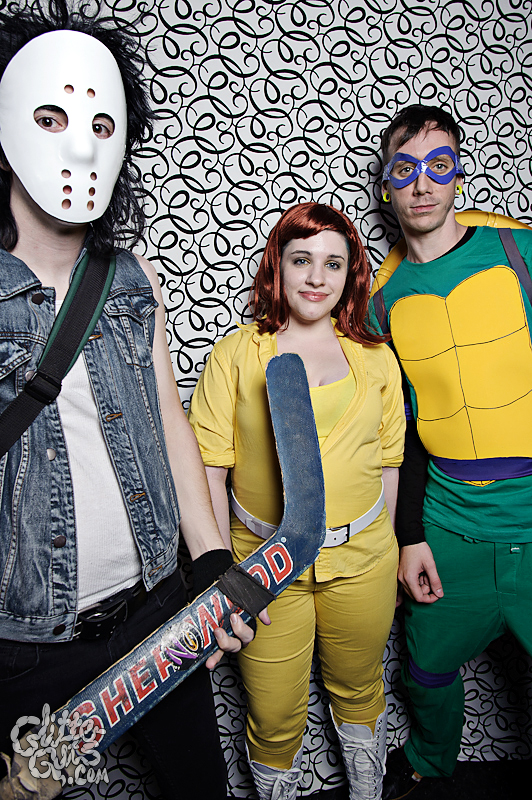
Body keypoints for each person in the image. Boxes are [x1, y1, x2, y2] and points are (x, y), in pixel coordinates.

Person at [0, 4, 264, 799]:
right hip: (26, 640)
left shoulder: (131, 277)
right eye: (50, 117)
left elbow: (168, 421)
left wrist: (211, 565)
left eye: (100, 124)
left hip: (156, 609)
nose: (78, 145)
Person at [188, 201, 406, 800]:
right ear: (277, 267)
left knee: (360, 688)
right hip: (263, 567)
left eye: (333, 264)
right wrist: (222, 576)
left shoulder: (376, 358)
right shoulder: (237, 354)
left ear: (350, 274)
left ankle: (367, 788)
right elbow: (209, 469)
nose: (316, 277)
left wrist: (385, 550)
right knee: (273, 712)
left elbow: (389, 464)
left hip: (363, 562)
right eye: (301, 259)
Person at [368, 104, 532, 799]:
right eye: (405, 169)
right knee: (426, 668)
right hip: (449, 524)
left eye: (440, 165)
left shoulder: (518, 252)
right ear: (386, 187)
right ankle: (430, 761)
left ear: (459, 175)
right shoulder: (380, 300)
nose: (423, 183)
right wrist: (409, 537)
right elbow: (398, 435)